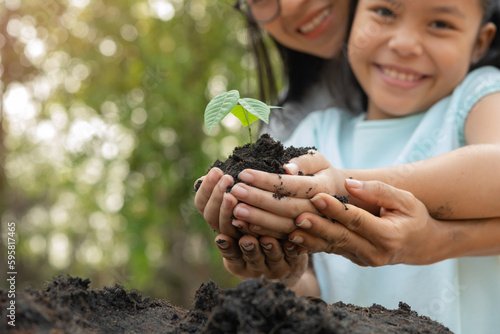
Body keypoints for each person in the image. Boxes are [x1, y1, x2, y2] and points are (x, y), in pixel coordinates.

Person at [215, 0, 500, 333]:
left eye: (440, 24)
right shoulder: (314, 133)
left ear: (480, 42)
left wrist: (344, 188)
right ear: (352, 17)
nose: (404, 44)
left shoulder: (478, 96)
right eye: (385, 12)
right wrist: (285, 278)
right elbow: (318, 289)